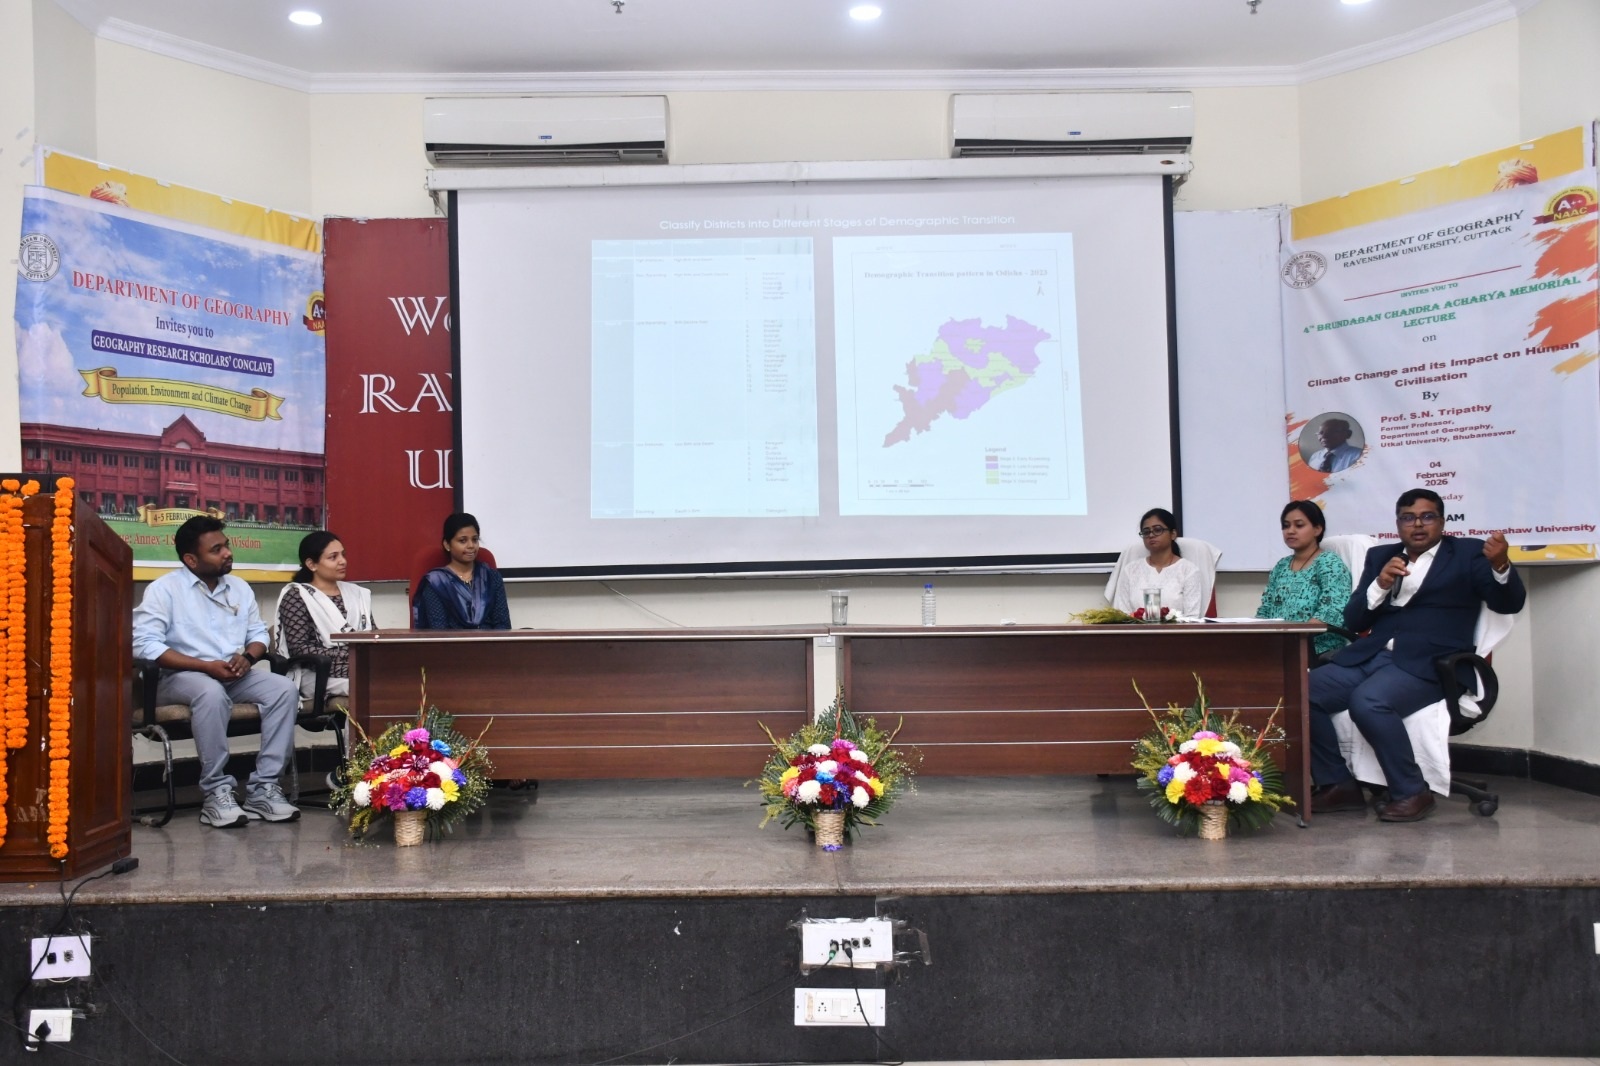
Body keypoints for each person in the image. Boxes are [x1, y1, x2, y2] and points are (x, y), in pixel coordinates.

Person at [1308, 489, 1525, 822]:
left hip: (1431, 663)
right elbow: (1354, 620)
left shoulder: (1468, 553)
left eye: (1427, 517)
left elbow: (1508, 603)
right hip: (1372, 655)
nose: (1418, 525)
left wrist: (1501, 565)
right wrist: (1380, 585)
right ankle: (1338, 784)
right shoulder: (1381, 556)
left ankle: (1412, 791)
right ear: (1398, 524)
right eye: (1408, 518)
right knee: (1302, 692)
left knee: (1369, 702)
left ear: (1442, 522)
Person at [131, 515, 301, 828]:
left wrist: (247, 658)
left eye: (226, 545)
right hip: (177, 679)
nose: (227, 553)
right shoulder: (164, 590)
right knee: (209, 693)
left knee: (284, 689)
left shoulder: (239, 588)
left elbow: (258, 634)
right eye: (216, 550)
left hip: (233, 675)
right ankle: (216, 791)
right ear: (191, 559)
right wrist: (204, 666)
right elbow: (145, 646)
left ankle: (263, 787)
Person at [273, 531, 373, 698]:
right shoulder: (297, 596)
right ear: (311, 564)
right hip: (317, 672)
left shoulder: (357, 594)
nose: (343, 561)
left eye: (343, 554)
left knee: (396, 679)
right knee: (370, 687)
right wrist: (350, 656)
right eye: (333, 557)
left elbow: (373, 634)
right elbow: (299, 648)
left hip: (361, 665)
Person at [1256, 500, 1352, 656]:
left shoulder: (1329, 563)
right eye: (1286, 526)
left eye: (1299, 525)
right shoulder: (1281, 565)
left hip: (1318, 649)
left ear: (1317, 529)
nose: (1290, 531)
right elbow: (1266, 608)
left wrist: (1296, 636)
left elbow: (1332, 611)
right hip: (1279, 646)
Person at [413, 512, 511, 630]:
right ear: (447, 544)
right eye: (463, 541)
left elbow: (503, 624)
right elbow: (439, 630)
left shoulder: (492, 577)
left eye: (475, 540)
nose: (471, 545)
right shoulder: (436, 583)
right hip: (451, 641)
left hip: (490, 640)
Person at [1108, 507, 1203, 619]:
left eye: (1157, 530)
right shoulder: (1130, 570)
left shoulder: (1188, 570)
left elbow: (1192, 618)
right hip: (1136, 630)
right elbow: (1123, 615)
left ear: (1173, 534)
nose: (1151, 535)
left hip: (1177, 630)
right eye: (1146, 532)